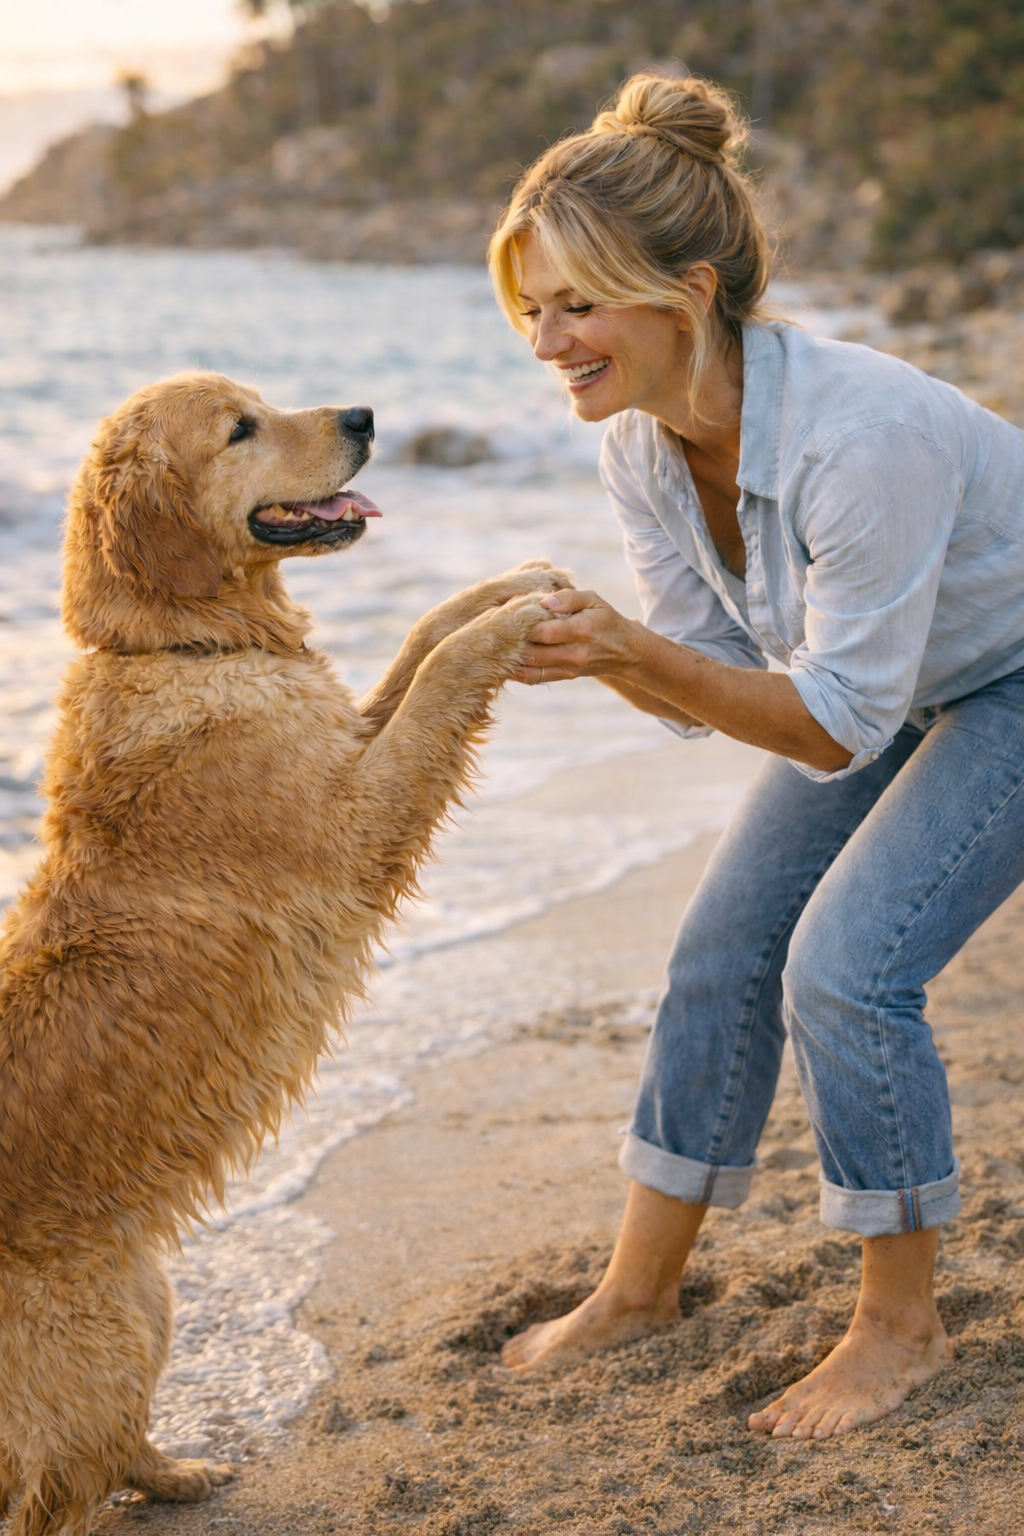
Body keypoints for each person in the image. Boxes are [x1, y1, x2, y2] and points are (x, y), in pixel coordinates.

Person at [485, 70, 1024, 1440]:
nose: (548, 341)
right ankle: (639, 1289)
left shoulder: (860, 436)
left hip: (1010, 677)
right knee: (720, 953)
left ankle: (901, 1327)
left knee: (848, 969)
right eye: (533, 308)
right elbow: (699, 687)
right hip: (886, 684)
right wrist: (599, 649)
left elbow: (833, 724)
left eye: (578, 305)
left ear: (690, 292)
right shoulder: (643, 444)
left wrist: (632, 651)